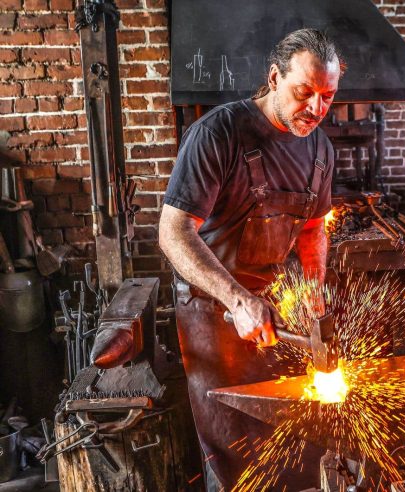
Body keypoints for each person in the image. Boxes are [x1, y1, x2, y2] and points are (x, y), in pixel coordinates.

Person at [159, 28, 343, 490]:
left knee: (284, 440)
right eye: (305, 92)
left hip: (272, 305)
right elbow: (173, 232)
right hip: (210, 309)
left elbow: (312, 227)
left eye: (328, 96)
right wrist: (237, 301)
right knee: (232, 450)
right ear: (275, 77)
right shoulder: (218, 134)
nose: (316, 109)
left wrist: (314, 294)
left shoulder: (320, 148)